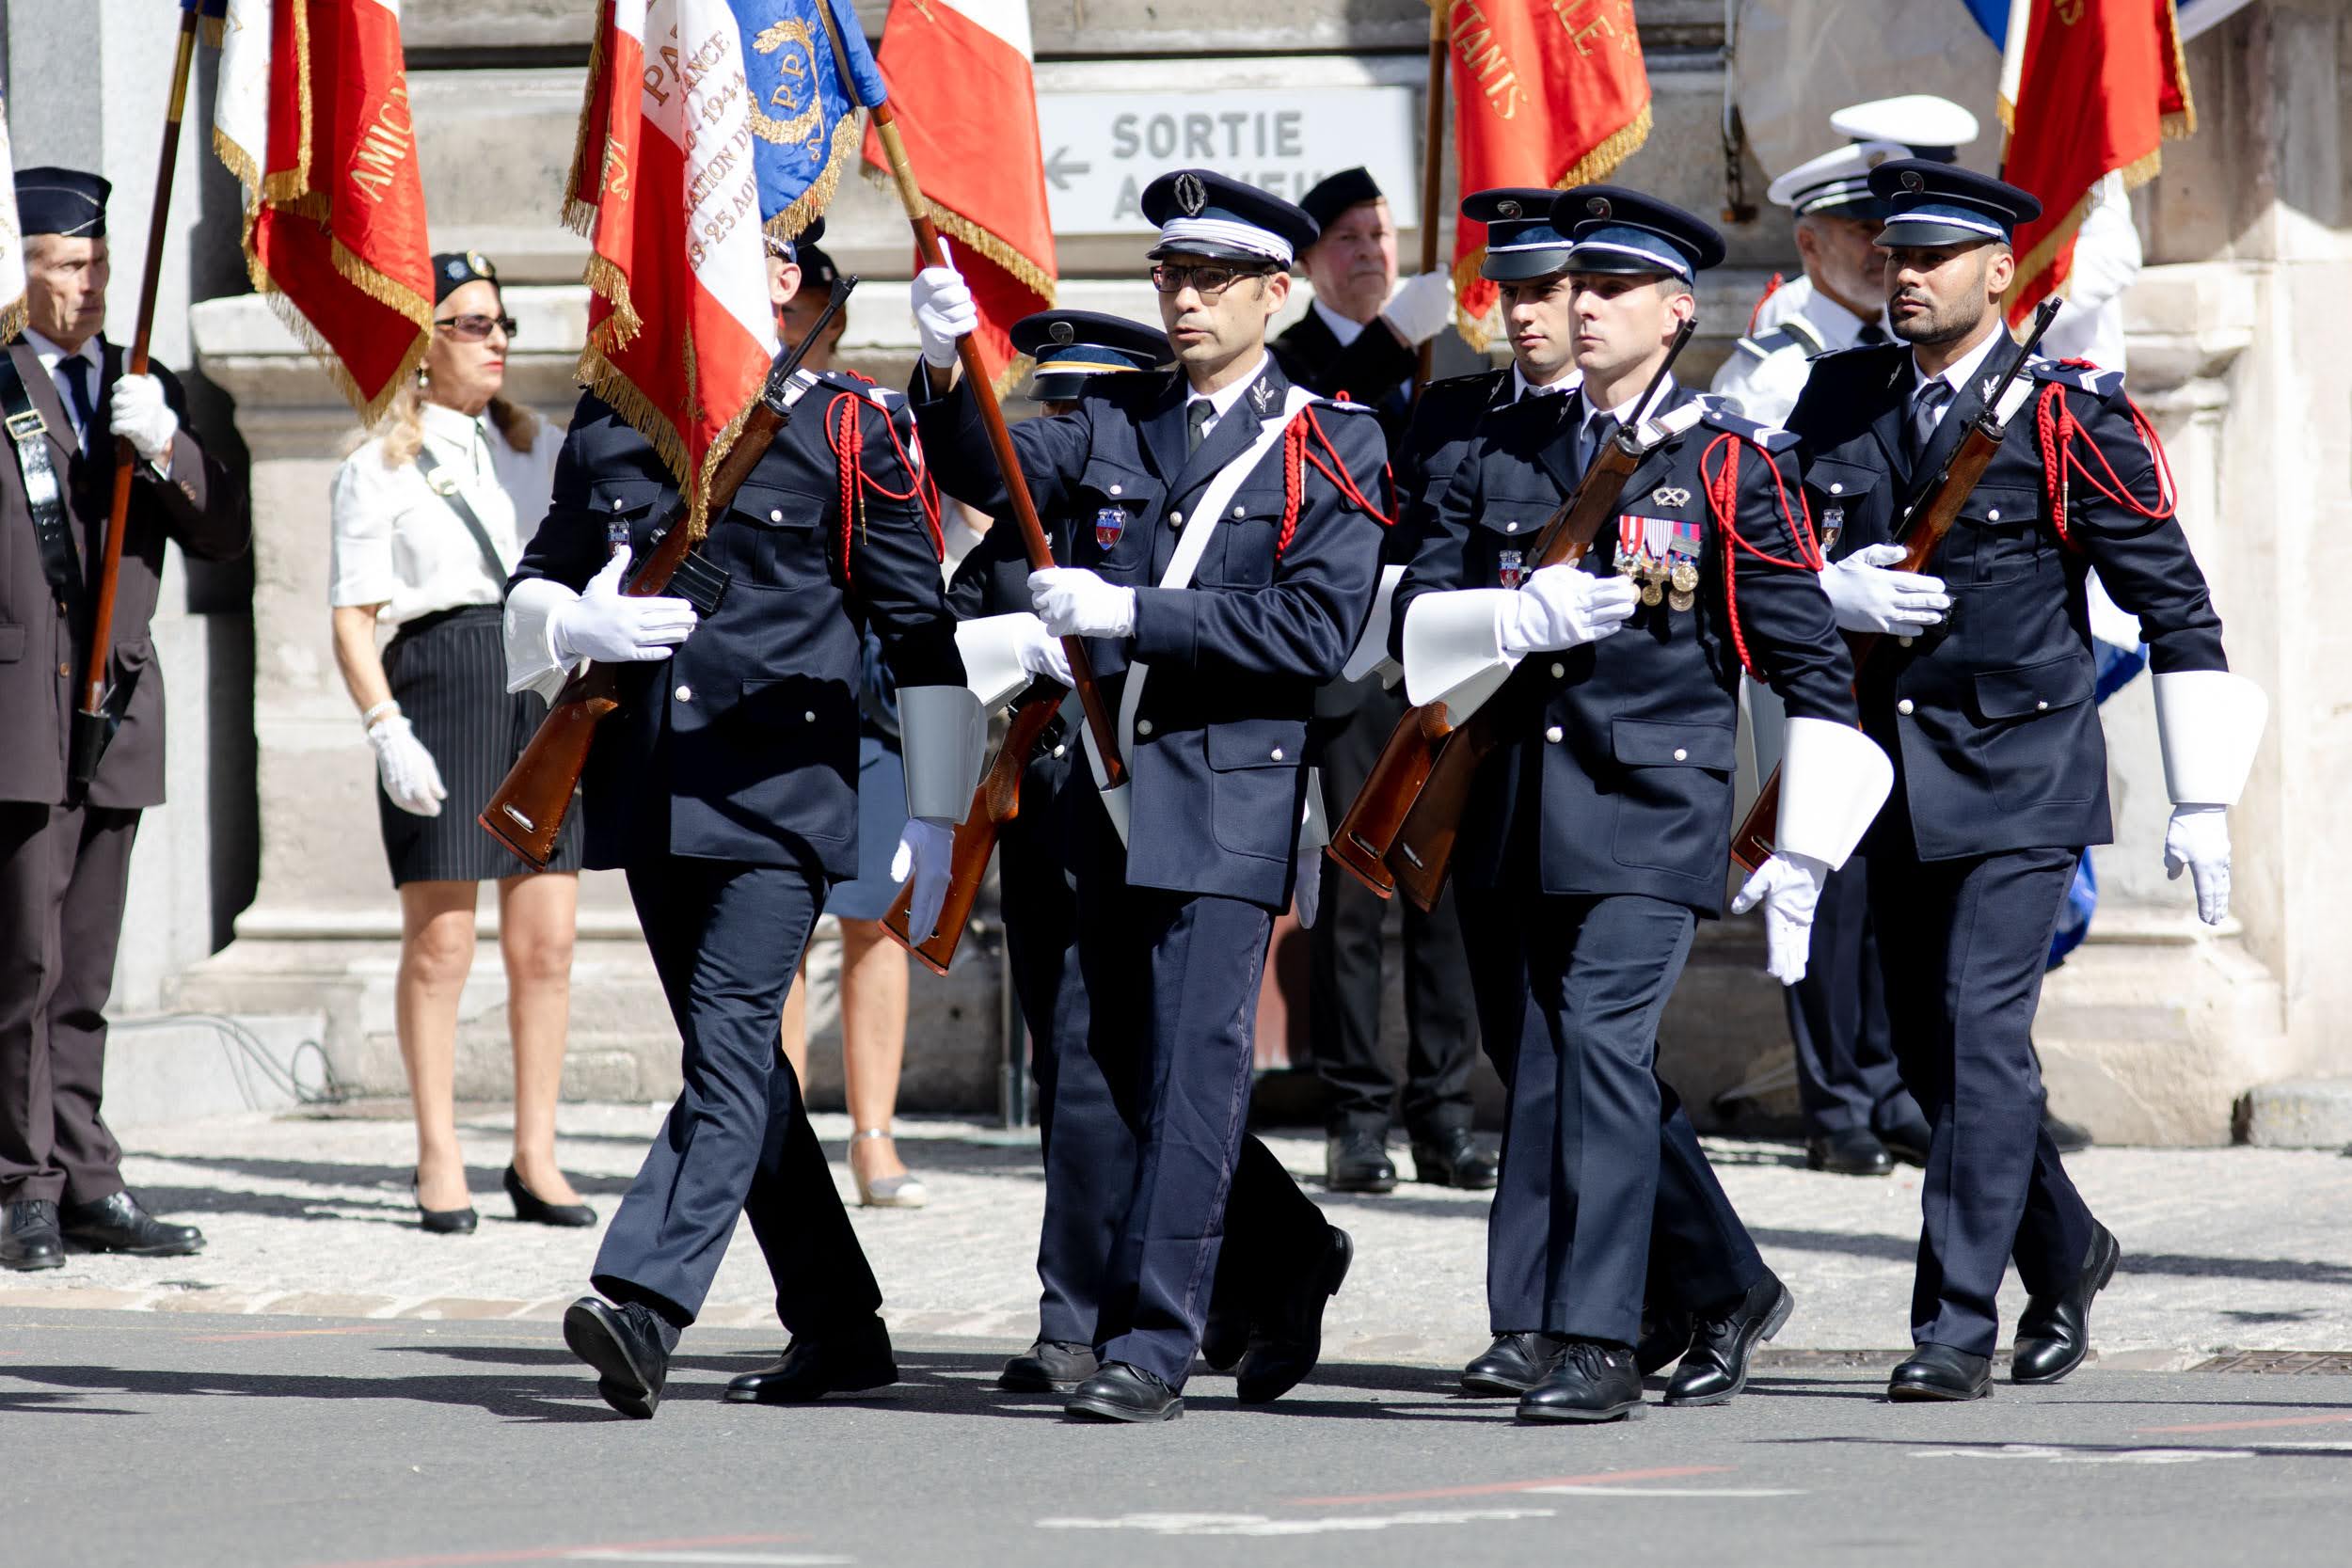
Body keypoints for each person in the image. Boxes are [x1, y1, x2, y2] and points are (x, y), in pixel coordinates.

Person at [1392, 184, 1889, 1422]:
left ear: (1676, 311)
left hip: (1651, 814)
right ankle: (1719, 1285)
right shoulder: (1512, 449)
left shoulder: (1721, 464)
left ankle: (1593, 1335)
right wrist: (1509, 615)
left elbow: (1813, 670)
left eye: (1612, 289)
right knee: (1553, 1060)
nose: (1583, 305)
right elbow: (1417, 622)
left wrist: (1808, 852)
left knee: (1602, 1052)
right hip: (1515, 803)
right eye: (1576, 287)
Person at [909, 167, 1388, 1422]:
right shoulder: (1118, 421)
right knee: (1089, 1058)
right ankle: (1085, 1313)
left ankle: (1158, 1337)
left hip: (1223, 792)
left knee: (1191, 1067)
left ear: (1277, 295)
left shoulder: (1334, 441)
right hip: (1095, 798)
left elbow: (1316, 624)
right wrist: (949, 362)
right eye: (1169, 274)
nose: (1181, 298)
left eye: (1212, 278)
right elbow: (987, 460)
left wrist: (1137, 612)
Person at [1783, 160, 2259, 1402]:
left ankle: (1952, 1322)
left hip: (2022, 770)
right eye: (1894, 255)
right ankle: (2068, 1246)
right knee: (1933, 1059)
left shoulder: (2064, 412)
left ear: (2001, 270)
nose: (1908, 276)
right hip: (1885, 773)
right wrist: (1828, 587)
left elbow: (2179, 606)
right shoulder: (1833, 401)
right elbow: (1760, 551)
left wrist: (2202, 796)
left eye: (1935, 257)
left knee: (1984, 1033)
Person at [506, 227, 977, 1419]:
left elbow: (917, 626)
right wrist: (574, 630)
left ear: (787, 278)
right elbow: (540, 571)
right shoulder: (615, 413)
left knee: (722, 1043)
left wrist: (937, 803)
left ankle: (644, 1301)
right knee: (745, 1076)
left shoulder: (849, 425)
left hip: (785, 793)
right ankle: (839, 1322)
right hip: (652, 789)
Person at [0, 167, 246, 1271]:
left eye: (100, 264)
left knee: (86, 969)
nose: (89, 285)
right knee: (23, 964)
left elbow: (222, 531)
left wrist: (168, 448)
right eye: (65, 264)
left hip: (116, 705)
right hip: (16, 712)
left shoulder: (143, 388)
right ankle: (21, 1184)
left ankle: (88, 1174)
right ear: (23, 272)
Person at [328, 250, 593, 1234]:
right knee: (441, 942)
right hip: (442, 682)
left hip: (541, 686)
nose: (497, 341)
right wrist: (384, 727)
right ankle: (439, 1150)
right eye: (472, 323)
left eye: (502, 322)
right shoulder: (377, 466)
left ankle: (537, 1152)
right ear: (423, 342)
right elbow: (354, 615)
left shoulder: (543, 449)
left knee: (549, 942)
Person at [943, 307, 1166, 1393]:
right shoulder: (1013, 544)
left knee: (1109, 1054)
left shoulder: (1166, 509)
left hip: (1150, 803)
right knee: (1071, 1052)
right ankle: (1280, 1257)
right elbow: (936, 648)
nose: (1058, 430)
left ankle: (1075, 1316)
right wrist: (928, 823)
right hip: (1038, 815)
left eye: (1080, 411)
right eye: (1049, 407)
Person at [1711, 142, 1932, 1179]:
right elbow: (1738, 516)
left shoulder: (1909, 347)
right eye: (1859, 234)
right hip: (1811, 660)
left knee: (1891, 878)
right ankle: (1834, 1098)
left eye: (1892, 236)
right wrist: (1824, 583)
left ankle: (1888, 1080)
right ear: (1809, 241)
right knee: (1818, 874)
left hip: (1896, 663)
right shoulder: (1778, 357)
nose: (1883, 253)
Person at [1276, 167, 1490, 1196]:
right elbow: (1320, 443)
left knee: (1436, 882)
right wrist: (1387, 346)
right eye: (1347, 238)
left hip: (1438, 643)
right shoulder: (1295, 355)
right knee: (1353, 893)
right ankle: (1357, 1111)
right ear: (1310, 259)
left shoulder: (1440, 347)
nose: (1370, 250)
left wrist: (1427, 349)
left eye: (1380, 232)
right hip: (1348, 652)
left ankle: (1444, 1107)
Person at [768, 226, 926, 1211]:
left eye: (805, 307)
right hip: (783, 700)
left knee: (877, 919)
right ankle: (774, 1134)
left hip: (870, 703)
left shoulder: (877, 412)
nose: (794, 324)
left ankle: (874, 1134)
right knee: (776, 935)